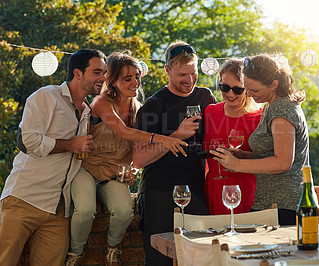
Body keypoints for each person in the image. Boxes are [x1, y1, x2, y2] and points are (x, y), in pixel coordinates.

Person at [64, 51, 187, 266]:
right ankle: (75, 254)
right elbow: (124, 132)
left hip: (114, 174)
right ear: (112, 80)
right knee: (84, 210)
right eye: (127, 78)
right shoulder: (101, 102)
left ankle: (113, 249)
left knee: (124, 212)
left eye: (137, 76)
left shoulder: (139, 109)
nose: (135, 82)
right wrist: (164, 139)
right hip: (88, 169)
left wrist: (133, 169)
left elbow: (136, 149)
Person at [0, 49, 107, 266]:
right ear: (78, 73)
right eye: (97, 72)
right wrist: (70, 145)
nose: (103, 78)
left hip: (59, 209)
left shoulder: (88, 111)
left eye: (104, 72)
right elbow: (26, 141)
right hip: (25, 199)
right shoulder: (47, 96)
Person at [133, 41, 217, 265]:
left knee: (203, 257)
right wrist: (177, 136)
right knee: (160, 259)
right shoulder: (153, 106)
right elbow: (138, 159)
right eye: (182, 74)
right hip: (159, 192)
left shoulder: (205, 97)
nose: (189, 80)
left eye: (193, 73)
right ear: (167, 71)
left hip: (196, 190)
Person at [211, 53, 309, 225]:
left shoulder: (282, 111)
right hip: (270, 203)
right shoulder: (272, 105)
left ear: (274, 84)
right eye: (247, 89)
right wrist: (243, 155)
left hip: (283, 205)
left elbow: (283, 162)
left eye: (254, 90)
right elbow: (272, 153)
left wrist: (236, 165)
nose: (248, 94)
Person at [203, 58, 262, 215]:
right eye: (225, 87)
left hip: (248, 189)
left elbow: (268, 157)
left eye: (237, 90)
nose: (230, 94)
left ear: (248, 89)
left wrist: (241, 157)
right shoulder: (210, 112)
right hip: (215, 188)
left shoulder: (260, 117)